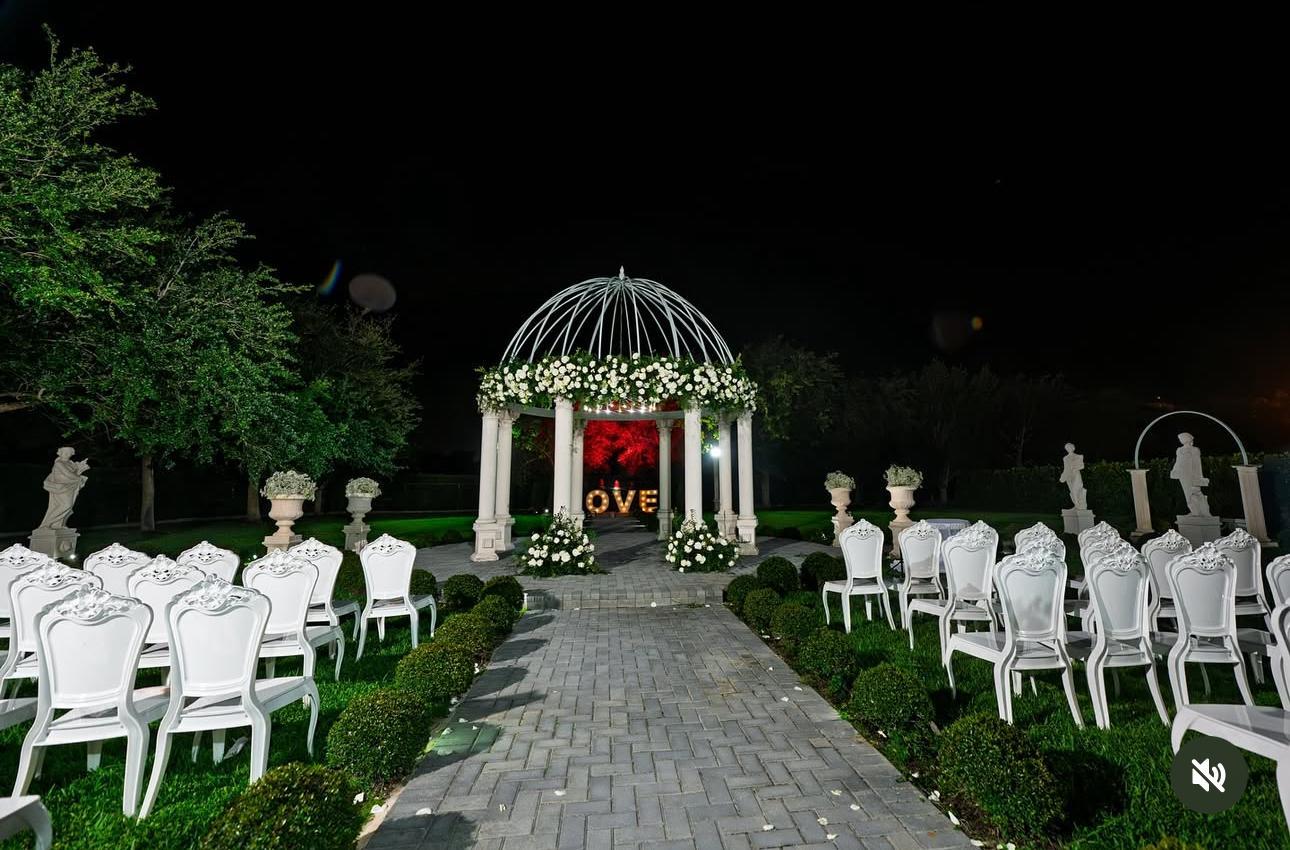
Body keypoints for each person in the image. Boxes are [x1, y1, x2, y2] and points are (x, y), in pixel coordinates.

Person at [37, 447, 89, 529]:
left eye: (69, 453)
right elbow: (67, 474)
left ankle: (58, 524)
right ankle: (46, 524)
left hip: (70, 487)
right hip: (60, 488)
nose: (67, 454)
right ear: (60, 453)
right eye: (65, 452)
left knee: (68, 507)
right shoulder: (59, 463)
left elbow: (75, 473)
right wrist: (79, 478)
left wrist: (81, 467)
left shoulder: (70, 463)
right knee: (65, 505)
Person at [1170, 433, 1211, 516]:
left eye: (1181, 438)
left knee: (1196, 492)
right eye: (1180, 439)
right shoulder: (1179, 450)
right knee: (1188, 494)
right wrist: (1174, 470)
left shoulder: (1195, 450)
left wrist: (1200, 477)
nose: (1180, 440)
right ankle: (1195, 511)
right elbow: (1178, 462)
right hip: (1183, 475)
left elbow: (1198, 464)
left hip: (1193, 474)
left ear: (1186, 439)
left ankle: (1204, 512)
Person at [1059, 443, 1088, 510]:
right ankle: (1076, 505)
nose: (1068, 449)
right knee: (1072, 491)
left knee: (1076, 490)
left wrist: (1075, 467)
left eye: (1069, 447)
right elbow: (1065, 469)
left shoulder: (1079, 456)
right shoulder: (1065, 458)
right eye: (1067, 448)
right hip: (1069, 476)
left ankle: (1079, 506)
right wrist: (1062, 477)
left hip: (1076, 475)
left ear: (1073, 447)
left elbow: (1082, 466)